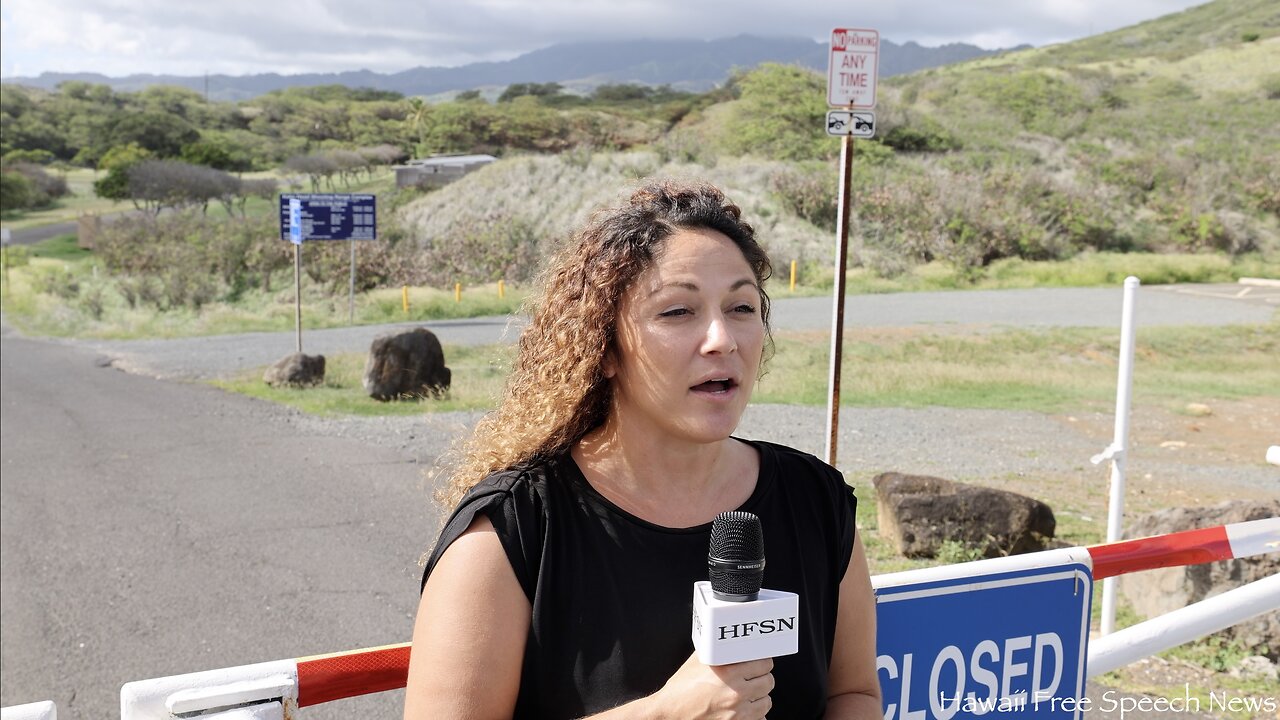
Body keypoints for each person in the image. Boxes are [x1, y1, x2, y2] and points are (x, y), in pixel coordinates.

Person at [404, 180, 881, 719]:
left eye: (742, 307)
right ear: (605, 348)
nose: (722, 338)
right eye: (678, 312)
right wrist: (666, 714)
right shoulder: (513, 532)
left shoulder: (815, 501)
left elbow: (854, 694)